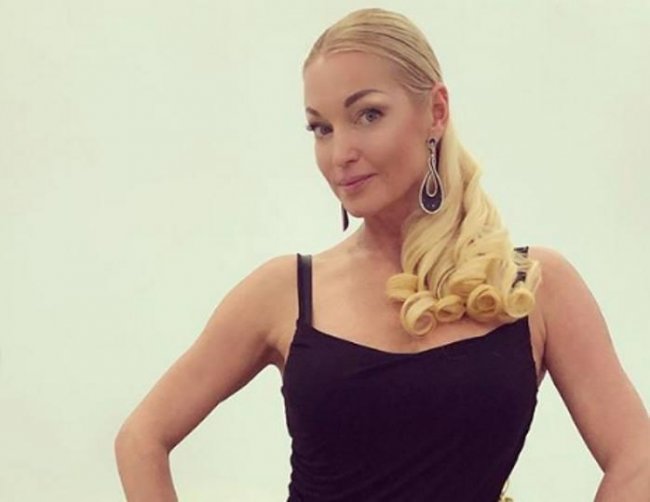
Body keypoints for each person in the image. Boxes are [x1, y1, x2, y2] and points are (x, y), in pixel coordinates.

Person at [114, 8, 649, 501]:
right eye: (321, 128)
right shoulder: (284, 292)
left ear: (435, 111)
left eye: (368, 115)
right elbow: (141, 439)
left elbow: (637, 459)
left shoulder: (536, 286)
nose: (340, 153)